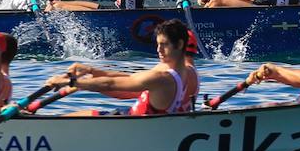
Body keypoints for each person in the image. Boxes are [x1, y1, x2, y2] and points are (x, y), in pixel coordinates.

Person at [46, 19, 194, 116]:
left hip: (129, 126)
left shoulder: (163, 78)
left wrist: (69, 82)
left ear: (180, 45)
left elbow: (110, 85)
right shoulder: (185, 72)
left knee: (75, 117)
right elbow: (129, 78)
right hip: (128, 118)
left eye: (164, 45)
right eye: (158, 44)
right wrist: (92, 71)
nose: (158, 50)